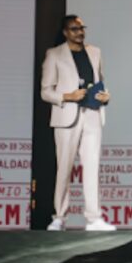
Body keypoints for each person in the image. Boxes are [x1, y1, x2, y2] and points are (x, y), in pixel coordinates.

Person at [40, 15, 116, 232]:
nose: (80, 32)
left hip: (92, 114)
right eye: (74, 29)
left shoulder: (95, 52)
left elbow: (101, 82)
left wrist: (105, 96)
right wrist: (68, 96)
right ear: (65, 32)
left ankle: (94, 218)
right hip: (67, 117)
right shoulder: (54, 54)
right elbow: (45, 91)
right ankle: (59, 217)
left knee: (92, 167)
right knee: (64, 168)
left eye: (82, 28)